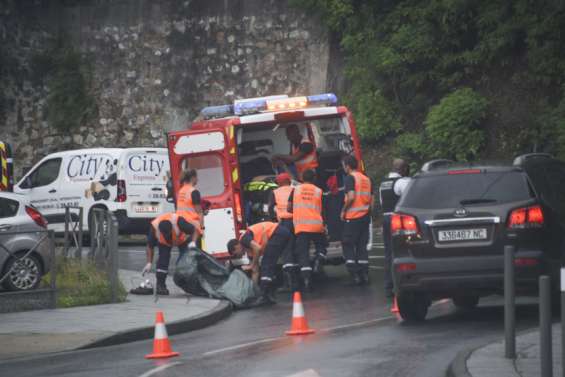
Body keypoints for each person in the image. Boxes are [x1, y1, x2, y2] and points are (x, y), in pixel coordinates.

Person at [226, 221, 291, 304]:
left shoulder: (244, 239)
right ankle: (267, 294)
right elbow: (255, 271)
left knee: (266, 263)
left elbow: (257, 248)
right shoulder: (249, 251)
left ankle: (264, 295)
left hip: (277, 232)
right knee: (268, 264)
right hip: (280, 233)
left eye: (236, 254)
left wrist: (251, 264)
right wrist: (253, 291)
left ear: (236, 247)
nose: (239, 256)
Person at [288, 169, 327, 291]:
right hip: (316, 226)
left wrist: (297, 212)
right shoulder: (319, 191)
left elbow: (289, 208)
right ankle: (319, 259)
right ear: (314, 178)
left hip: (301, 227)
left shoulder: (296, 190)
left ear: (302, 178)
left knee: (303, 254)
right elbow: (323, 210)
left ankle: (307, 280)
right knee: (322, 245)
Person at [142, 213, 198, 295]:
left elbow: (195, 230)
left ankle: (190, 283)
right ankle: (160, 285)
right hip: (164, 244)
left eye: (168, 234)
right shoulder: (155, 227)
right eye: (165, 235)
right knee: (163, 261)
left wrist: (193, 242)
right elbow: (149, 246)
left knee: (185, 260)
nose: (167, 237)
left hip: (183, 240)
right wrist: (149, 263)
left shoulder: (179, 222)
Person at [379, 158, 411, 297]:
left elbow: (382, 202)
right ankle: (403, 282)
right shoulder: (403, 182)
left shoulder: (383, 184)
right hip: (398, 219)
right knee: (403, 250)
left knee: (388, 252)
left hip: (386, 218)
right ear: (403, 169)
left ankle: (388, 285)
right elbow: (410, 200)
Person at [341, 155, 374, 285]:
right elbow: (372, 201)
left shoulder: (350, 178)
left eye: (343, 165)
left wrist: (343, 210)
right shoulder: (367, 179)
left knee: (348, 244)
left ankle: (354, 274)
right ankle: (364, 273)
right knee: (361, 245)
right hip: (365, 217)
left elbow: (351, 197)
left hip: (353, 218)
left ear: (347, 166)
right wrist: (367, 214)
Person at [268, 172, 296, 290]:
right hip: (297, 222)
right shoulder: (295, 189)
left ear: (278, 183)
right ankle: (302, 279)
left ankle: (290, 283)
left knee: (286, 251)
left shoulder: (274, 192)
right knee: (297, 249)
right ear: (289, 180)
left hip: (284, 224)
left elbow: (270, 209)